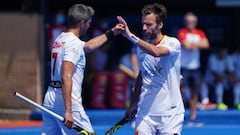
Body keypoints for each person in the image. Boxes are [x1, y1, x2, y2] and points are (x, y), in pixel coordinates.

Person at [41, 4, 124, 135]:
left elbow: (88, 46)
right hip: (68, 100)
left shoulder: (61, 38)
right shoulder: (74, 44)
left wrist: (111, 32)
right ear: (82, 23)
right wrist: (68, 111)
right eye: (89, 23)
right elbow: (66, 76)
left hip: (50, 98)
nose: (89, 26)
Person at [117, 3, 185, 135]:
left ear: (160, 25)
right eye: (143, 23)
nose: (144, 28)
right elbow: (142, 76)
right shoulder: (141, 48)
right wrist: (133, 104)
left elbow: (157, 52)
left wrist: (129, 35)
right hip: (145, 112)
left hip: (170, 113)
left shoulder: (173, 43)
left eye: (149, 25)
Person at [177, 12, 212, 124]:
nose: (190, 23)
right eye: (188, 21)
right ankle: (178, 116)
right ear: (185, 22)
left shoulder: (200, 33)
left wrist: (192, 45)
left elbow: (206, 45)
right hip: (183, 67)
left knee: (195, 92)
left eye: (193, 21)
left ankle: (193, 117)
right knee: (180, 92)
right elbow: (187, 45)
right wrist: (197, 44)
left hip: (195, 67)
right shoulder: (182, 32)